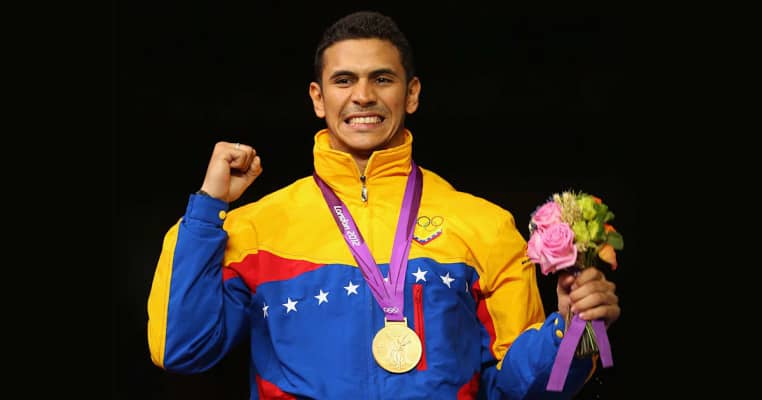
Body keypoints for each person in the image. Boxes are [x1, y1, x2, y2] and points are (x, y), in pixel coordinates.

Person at [147, 10, 620, 399]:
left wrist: (573, 331)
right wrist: (207, 208)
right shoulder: (255, 229)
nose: (363, 96)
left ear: (411, 94)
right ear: (318, 98)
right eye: (344, 80)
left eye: (382, 78)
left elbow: (526, 391)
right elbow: (180, 349)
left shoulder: (485, 226)